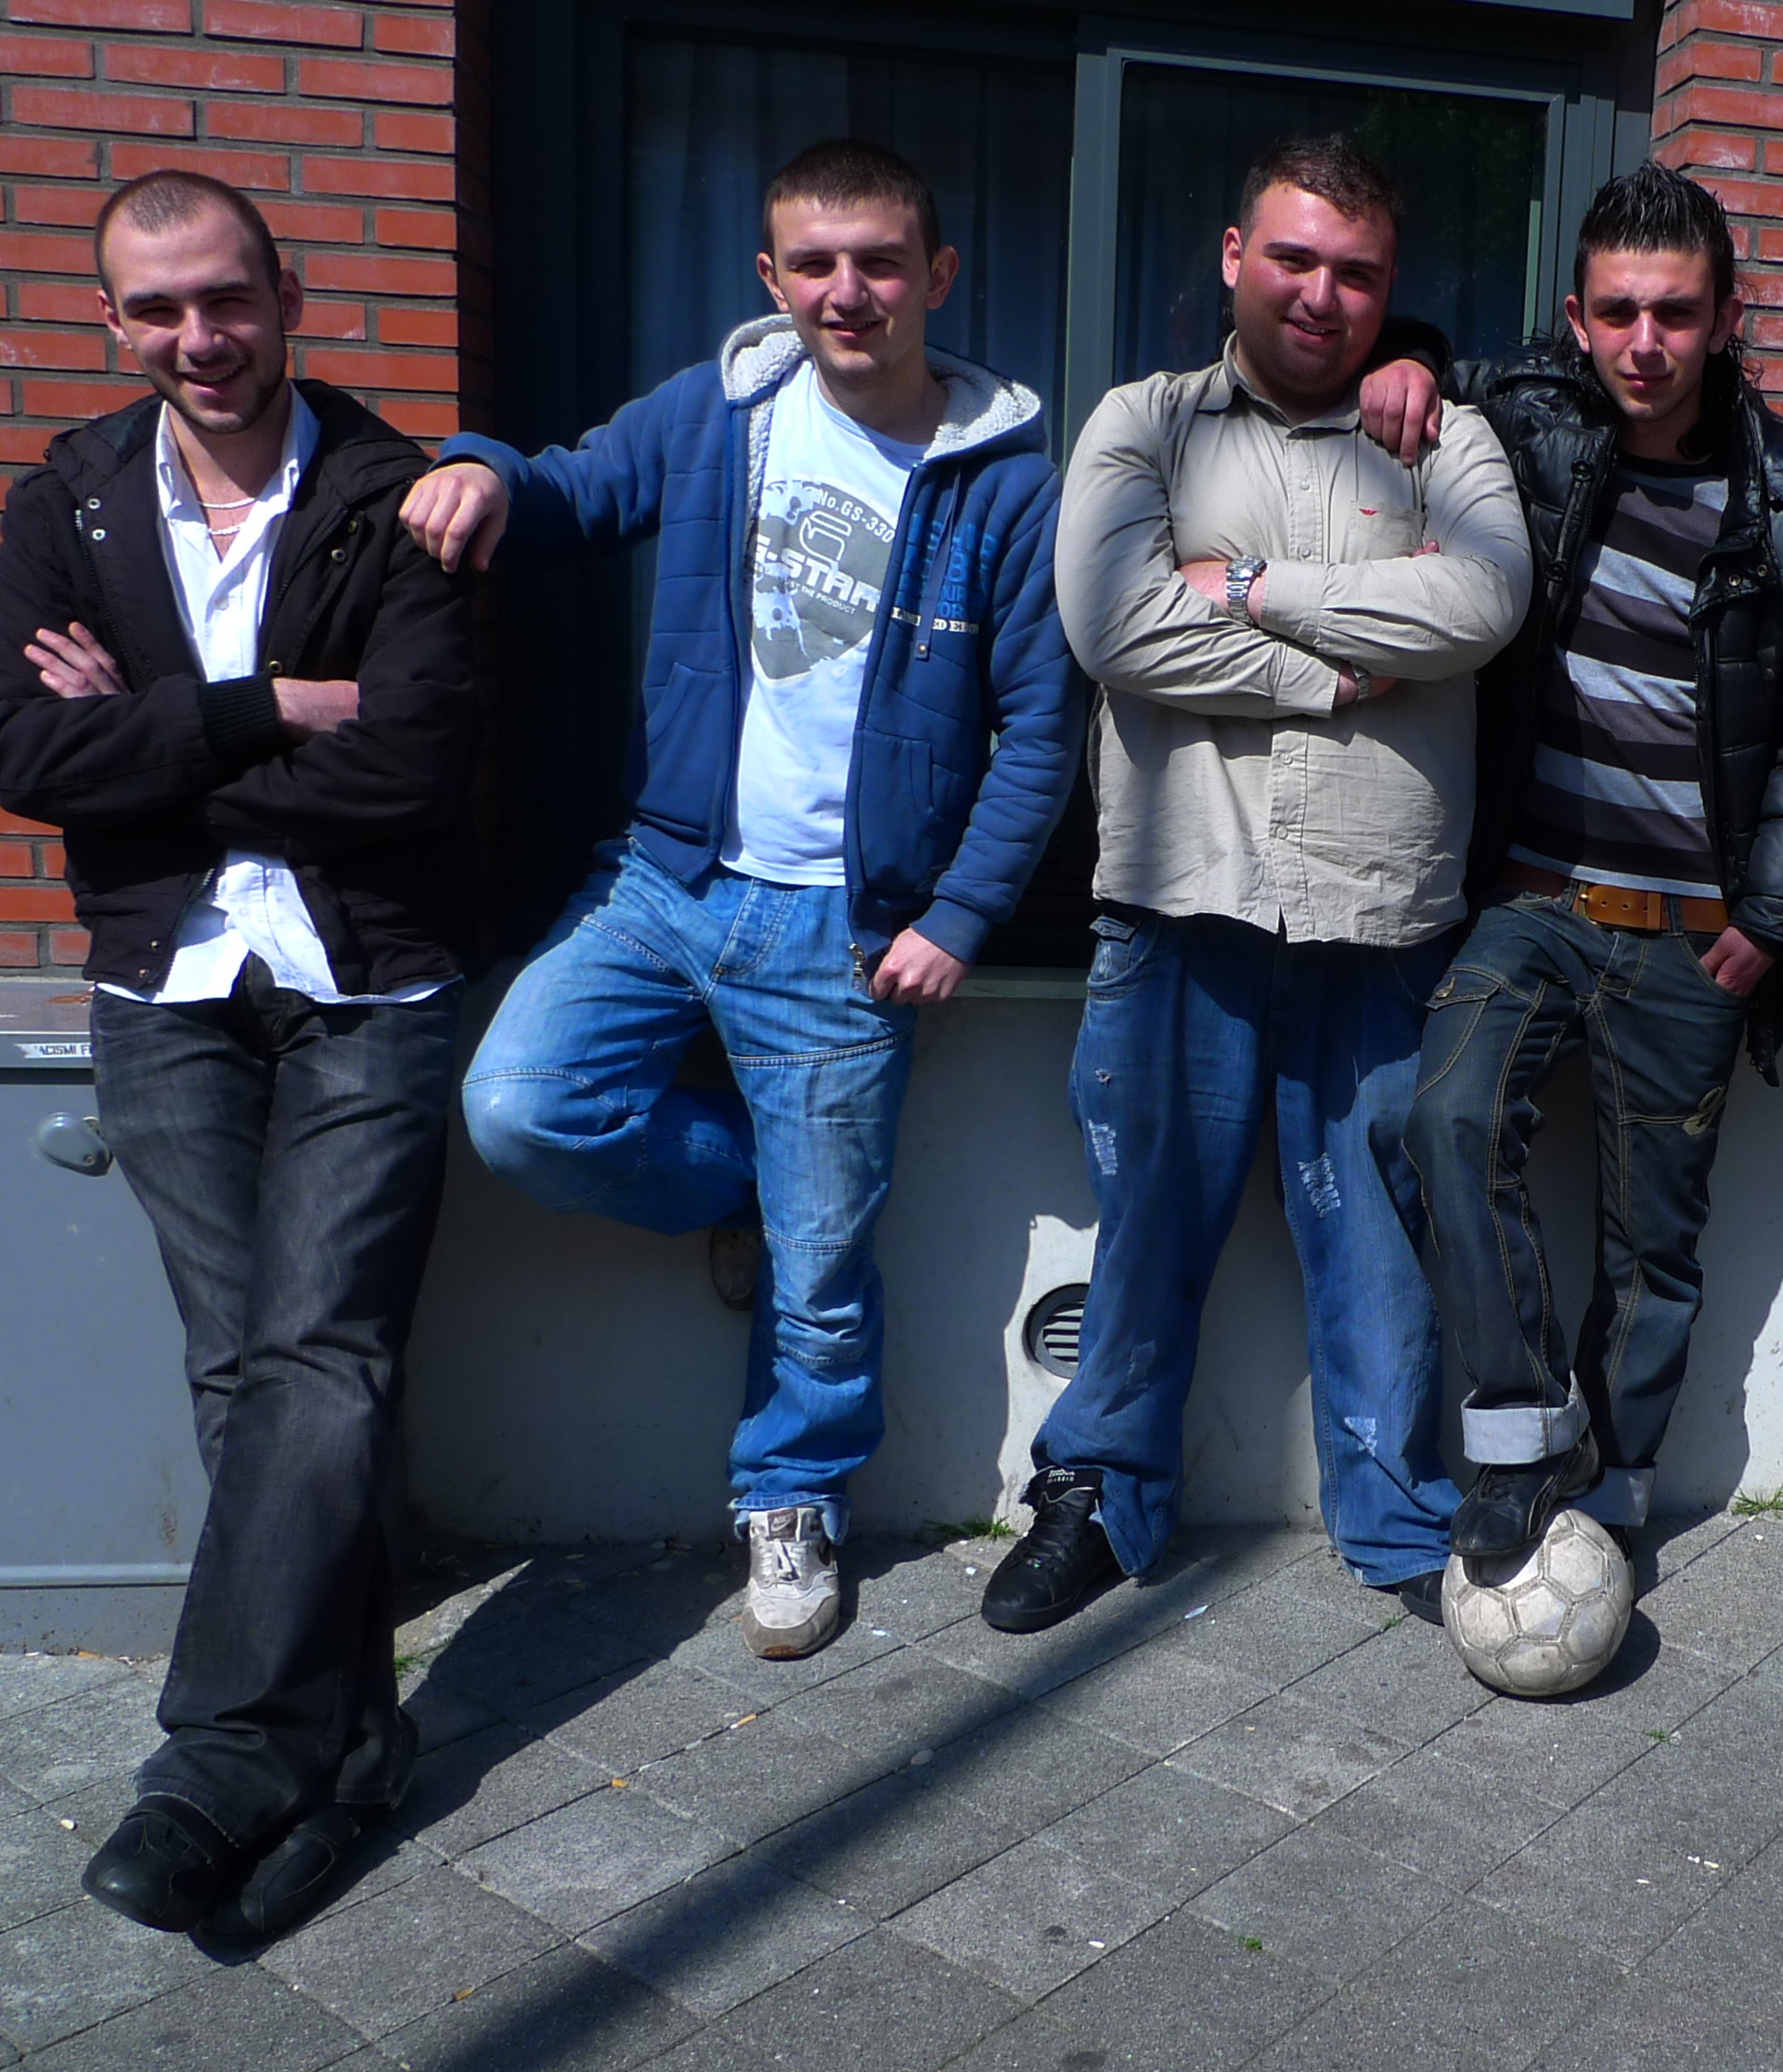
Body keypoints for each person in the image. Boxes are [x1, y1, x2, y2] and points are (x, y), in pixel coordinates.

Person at [399, 140, 1081, 1661]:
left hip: (851, 930)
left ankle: (790, 1492)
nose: (851, 291)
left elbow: (1042, 723)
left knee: (828, 1256)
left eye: (881, 262)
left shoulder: (1004, 480)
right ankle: (733, 1192)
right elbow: (568, 492)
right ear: (772, 280)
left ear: (937, 276)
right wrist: (475, 470)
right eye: (816, 264)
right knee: (520, 1102)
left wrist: (960, 913)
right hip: (666, 877)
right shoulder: (718, 412)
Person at [0, 170, 473, 1938]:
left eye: (228, 300)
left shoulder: (398, 498)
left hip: (365, 977)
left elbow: (409, 766)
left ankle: (220, 1761)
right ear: (112, 320)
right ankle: (348, 1746)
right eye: (157, 309)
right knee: (236, 1367)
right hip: (163, 981)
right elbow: (22, 751)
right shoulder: (72, 497)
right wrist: (263, 709)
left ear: (287, 292)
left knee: (318, 1354)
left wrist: (149, 738)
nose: (201, 339)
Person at [981, 135, 1528, 1635]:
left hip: (1381, 916)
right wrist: (1347, 680)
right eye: (1292, 258)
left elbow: (1479, 596)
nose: (1321, 293)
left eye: (1356, 272)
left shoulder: (1443, 443)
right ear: (1233, 257)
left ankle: (1393, 1514)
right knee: (1146, 1218)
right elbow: (1113, 623)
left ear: (1388, 288)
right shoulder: (1144, 429)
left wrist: (1261, 592)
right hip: (1180, 904)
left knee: (1378, 1241)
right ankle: (1097, 1493)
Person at [1358, 164, 1783, 1554]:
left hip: (1700, 930)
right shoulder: (1528, 432)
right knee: (1438, 1120)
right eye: (1620, 312)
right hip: (1533, 897)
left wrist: (1774, 916)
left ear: (1726, 318)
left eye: (1677, 314)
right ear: (1575, 317)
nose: (1647, 344)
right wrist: (1404, 355)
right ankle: (1521, 1435)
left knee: (1655, 1245)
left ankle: (1621, 1478)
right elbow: (1443, 380)